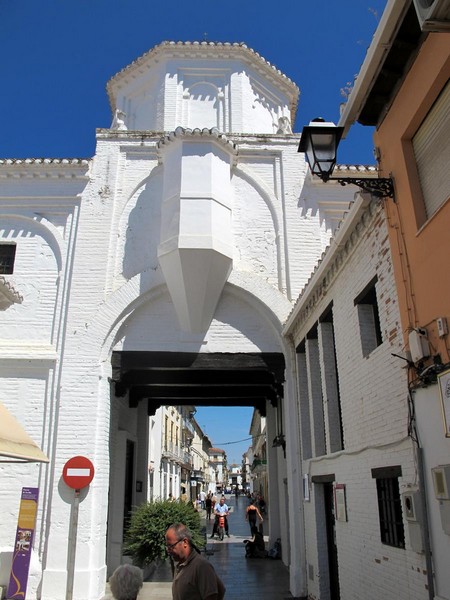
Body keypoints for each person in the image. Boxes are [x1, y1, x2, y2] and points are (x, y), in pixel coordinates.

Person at [165, 523, 225, 600]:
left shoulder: (201, 566)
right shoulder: (180, 565)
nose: (168, 550)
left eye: (171, 546)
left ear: (185, 542)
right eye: (167, 546)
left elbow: (217, 592)